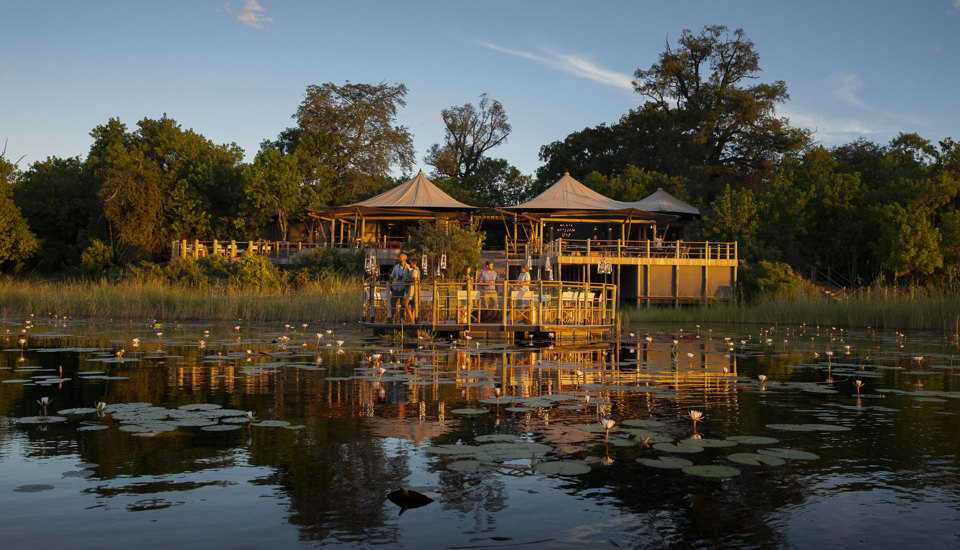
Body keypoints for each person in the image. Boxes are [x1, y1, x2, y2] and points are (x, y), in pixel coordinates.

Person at [388, 253, 410, 321]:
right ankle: (392, 318)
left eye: (400, 258)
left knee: (403, 304)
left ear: (404, 259)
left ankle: (402, 319)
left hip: (403, 288)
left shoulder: (408, 267)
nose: (399, 259)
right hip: (395, 287)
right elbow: (392, 276)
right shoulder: (396, 266)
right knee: (393, 303)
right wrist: (390, 285)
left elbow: (410, 277)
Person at [404, 258, 421, 323]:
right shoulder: (415, 270)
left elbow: (414, 279)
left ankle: (411, 319)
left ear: (413, 263)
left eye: (410, 263)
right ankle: (412, 319)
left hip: (412, 289)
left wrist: (407, 279)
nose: (409, 264)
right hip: (414, 289)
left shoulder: (415, 270)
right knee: (412, 305)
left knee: (406, 303)